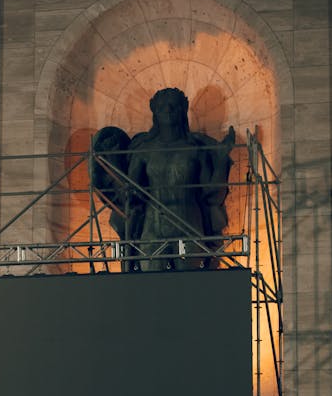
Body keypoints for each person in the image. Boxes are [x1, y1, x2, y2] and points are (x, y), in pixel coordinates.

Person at [93, 87, 235, 272]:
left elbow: (211, 194)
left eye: (173, 106)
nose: (167, 110)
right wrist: (113, 163)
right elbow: (130, 193)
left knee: (192, 288)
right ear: (155, 112)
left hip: (189, 223)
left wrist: (222, 160)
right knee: (150, 288)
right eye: (162, 107)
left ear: (182, 110)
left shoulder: (194, 149)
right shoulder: (144, 149)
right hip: (153, 227)